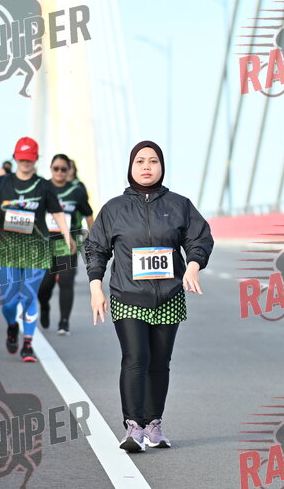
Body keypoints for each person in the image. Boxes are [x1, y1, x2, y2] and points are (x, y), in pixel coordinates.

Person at [84, 140, 214, 452]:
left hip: (169, 296)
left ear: (161, 166)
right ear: (131, 167)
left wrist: (193, 265)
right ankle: (134, 427)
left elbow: (199, 238)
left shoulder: (179, 205)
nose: (146, 166)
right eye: (140, 161)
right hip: (127, 295)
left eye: (153, 161)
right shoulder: (114, 208)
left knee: (159, 362)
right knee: (135, 357)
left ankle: (154, 424)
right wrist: (95, 287)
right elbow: (96, 249)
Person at [0, 137, 71, 363]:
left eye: (30, 159)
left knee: (29, 297)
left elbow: (57, 212)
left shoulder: (44, 186)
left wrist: (68, 236)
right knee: (9, 301)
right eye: (22, 158)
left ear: (36, 159)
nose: (26, 162)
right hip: (7, 250)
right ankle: (12, 325)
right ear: (15, 157)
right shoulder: (1, 184)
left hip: (36, 250)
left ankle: (28, 343)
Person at [38, 154, 94, 334]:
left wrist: (94, 236)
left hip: (68, 242)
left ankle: (64, 322)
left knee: (66, 281)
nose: (60, 172)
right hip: (45, 244)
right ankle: (44, 306)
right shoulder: (42, 188)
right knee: (44, 285)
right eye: (56, 168)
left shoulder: (76, 191)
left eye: (64, 169)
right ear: (51, 169)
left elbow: (88, 214)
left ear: (69, 170)